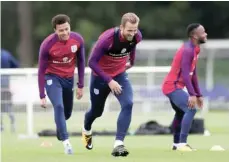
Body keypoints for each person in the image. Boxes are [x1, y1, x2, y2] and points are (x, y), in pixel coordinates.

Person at [82, 12, 142, 157]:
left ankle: (118, 144)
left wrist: (131, 62)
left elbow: (132, 46)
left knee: (128, 103)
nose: (132, 33)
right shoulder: (107, 39)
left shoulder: (136, 36)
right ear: (121, 27)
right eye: (129, 30)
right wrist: (109, 80)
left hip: (120, 75)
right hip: (100, 78)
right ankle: (86, 128)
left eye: (134, 30)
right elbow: (91, 62)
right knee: (97, 112)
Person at [38, 14, 85, 154]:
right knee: (58, 105)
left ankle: (60, 127)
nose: (64, 33)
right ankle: (66, 143)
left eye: (66, 29)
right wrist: (42, 94)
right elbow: (41, 71)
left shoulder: (77, 40)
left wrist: (81, 85)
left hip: (68, 79)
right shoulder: (47, 45)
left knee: (67, 113)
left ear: (70, 26)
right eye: (61, 30)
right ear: (55, 30)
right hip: (51, 77)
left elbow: (81, 62)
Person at [162, 23, 207, 151]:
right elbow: (186, 75)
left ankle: (176, 144)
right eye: (203, 32)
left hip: (175, 86)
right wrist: (192, 95)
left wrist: (198, 94)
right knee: (191, 109)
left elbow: (193, 74)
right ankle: (183, 144)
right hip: (172, 86)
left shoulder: (196, 49)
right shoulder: (187, 50)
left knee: (180, 113)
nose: (206, 34)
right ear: (194, 35)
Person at [1, 48, 20, 132]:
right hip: (6, 84)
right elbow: (16, 65)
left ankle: (1, 127)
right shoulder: (6, 54)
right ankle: (13, 125)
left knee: (2, 106)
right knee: (7, 105)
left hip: (4, 84)